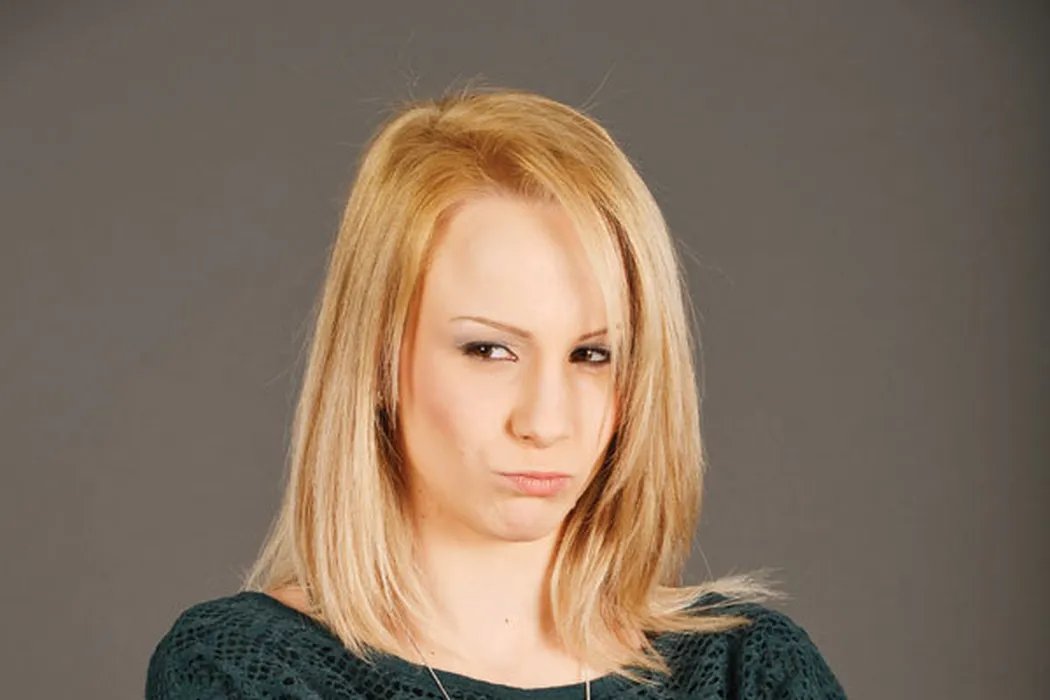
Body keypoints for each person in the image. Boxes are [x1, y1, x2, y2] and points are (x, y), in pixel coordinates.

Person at [145, 87, 847, 699]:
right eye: (489, 350)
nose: (545, 421)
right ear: (379, 358)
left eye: (592, 355)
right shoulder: (243, 669)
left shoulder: (748, 670)